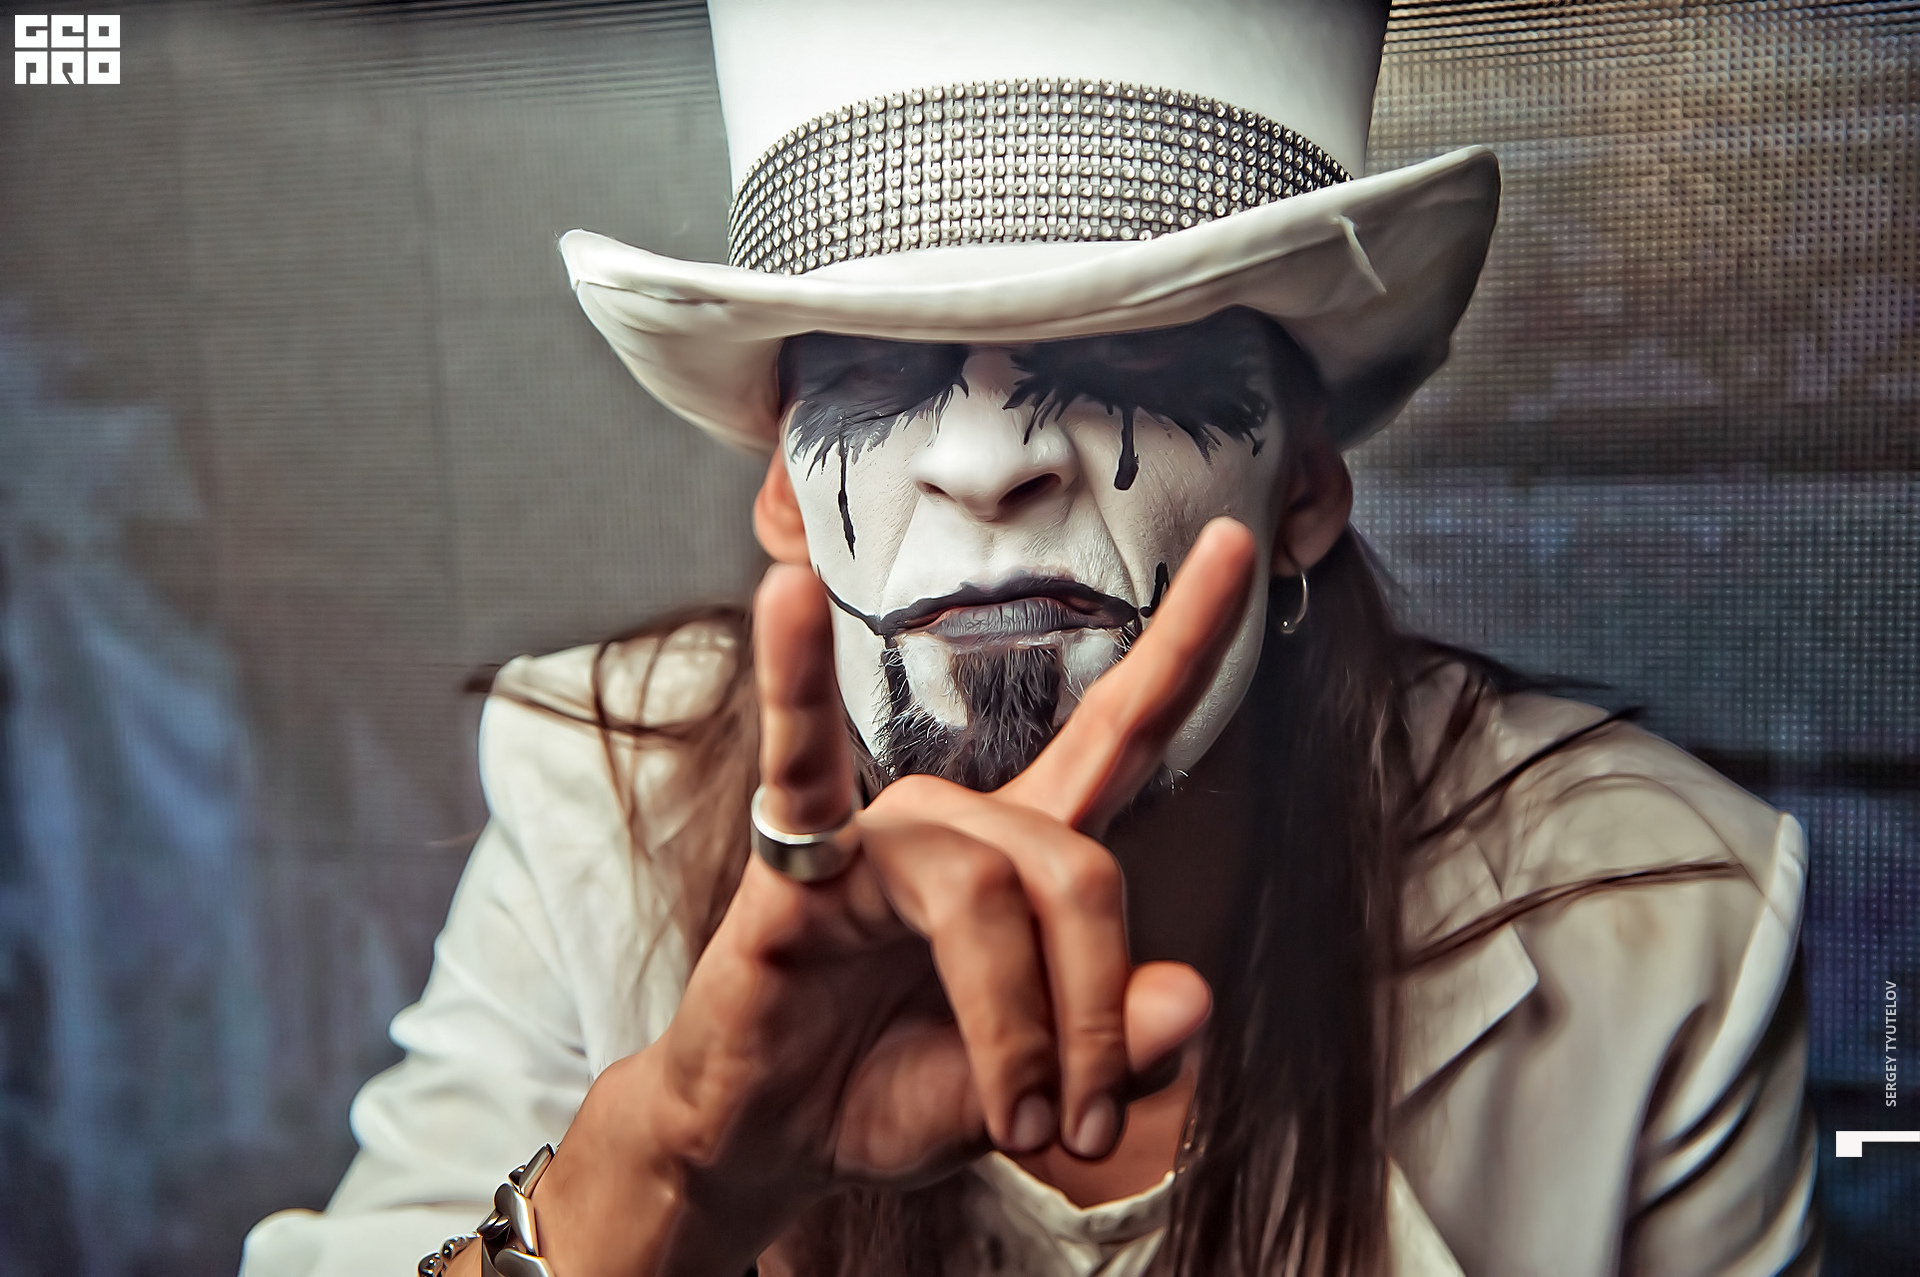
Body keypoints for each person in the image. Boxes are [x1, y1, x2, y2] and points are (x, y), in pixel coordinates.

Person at [242, 1, 1818, 1273]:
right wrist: (664, 1175)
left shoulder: (1662, 927)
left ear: (1305, 484)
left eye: (1132, 346)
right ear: (784, 495)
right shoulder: (597, 800)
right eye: (875, 368)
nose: (985, 457)